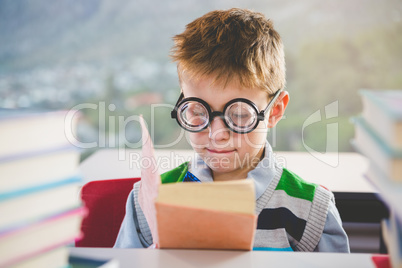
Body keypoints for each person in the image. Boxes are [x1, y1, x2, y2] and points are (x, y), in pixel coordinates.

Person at [114, 8, 350, 252]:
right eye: (197, 112)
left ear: (275, 110)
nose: (217, 133)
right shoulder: (150, 202)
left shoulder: (311, 212)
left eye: (239, 115)